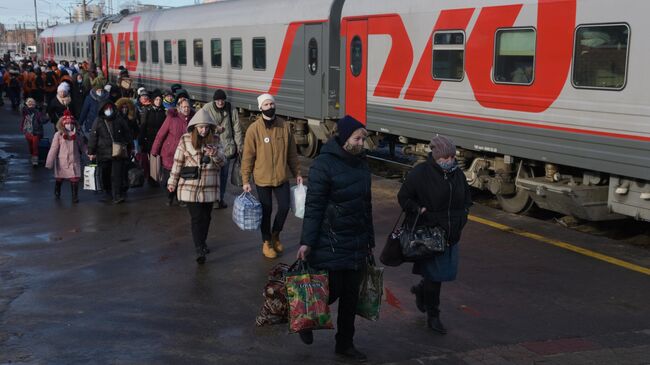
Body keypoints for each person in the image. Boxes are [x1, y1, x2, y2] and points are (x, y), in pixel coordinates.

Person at [295, 115, 373, 362]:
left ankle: (345, 344)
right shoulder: (323, 165)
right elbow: (314, 206)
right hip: (330, 240)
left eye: (363, 139)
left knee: (350, 297)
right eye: (357, 138)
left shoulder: (362, 164)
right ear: (343, 137)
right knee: (329, 292)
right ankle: (306, 320)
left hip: (356, 241)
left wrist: (369, 240)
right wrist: (306, 241)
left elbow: (366, 205)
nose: (362, 143)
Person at [397, 135, 472, 335]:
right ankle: (433, 315)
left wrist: (463, 215)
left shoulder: (458, 175)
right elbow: (403, 197)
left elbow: (466, 198)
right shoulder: (421, 172)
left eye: (451, 158)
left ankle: (422, 290)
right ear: (435, 157)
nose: (448, 162)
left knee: (443, 274)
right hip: (429, 233)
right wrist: (418, 209)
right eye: (443, 159)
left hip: (451, 233)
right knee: (435, 277)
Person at [241, 93, 302, 258]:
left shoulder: (284, 126)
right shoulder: (254, 129)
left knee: (284, 207)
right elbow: (248, 156)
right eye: (266, 105)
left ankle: (275, 234)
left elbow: (292, 153)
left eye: (272, 104)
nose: (270, 107)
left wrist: (297, 172)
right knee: (266, 210)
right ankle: (266, 242)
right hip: (262, 178)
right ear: (260, 108)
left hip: (281, 176)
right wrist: (245, 180)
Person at [167, 109, 226, 264]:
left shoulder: (216, 140)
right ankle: (199, 248)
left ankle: (203, 241)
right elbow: (178, 162)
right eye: (200, 127)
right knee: (196, 217)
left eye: (206, 127)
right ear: (194, 126)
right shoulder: (185, 139)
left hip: (209, 186)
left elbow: (223, 162)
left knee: (206, 217)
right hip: (190, 186)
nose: (203, 130)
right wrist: (172, 182)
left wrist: (214, 154)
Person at [201, 89, 243, 209]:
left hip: (227, 148)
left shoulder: (231, 108)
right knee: (211, 175)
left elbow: (237, 128)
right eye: (218, 100)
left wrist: (239, 146)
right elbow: (201, 125)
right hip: (211, 148)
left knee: (223, 176)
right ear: (214, 100)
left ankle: (220, 198)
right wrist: (214, 129)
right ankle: (210, 198)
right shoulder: (207, 108)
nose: (220, 102)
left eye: (222, 100)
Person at [87, 100, 134, 204]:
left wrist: (131, 146)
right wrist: (91, 151)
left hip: (117, 152)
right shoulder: (98, 121)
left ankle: (117, 195)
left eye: (110, 108)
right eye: (106, 108)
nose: (109, 110)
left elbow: (127, 133)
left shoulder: (119, 119)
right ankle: (107, 192)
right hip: (103, 152)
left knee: (117, 174)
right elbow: (93, 137)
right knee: (106, 174)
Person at [151, 98, 193, 206]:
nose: (186, 109)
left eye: (188, 107)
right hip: (170, 153)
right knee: (168, 178)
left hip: (185, 154)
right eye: (184, 107)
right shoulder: (172, 118)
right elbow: (161, 134)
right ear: (179, 108)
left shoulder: (192, 119)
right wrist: (154, 150)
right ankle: (170, 197)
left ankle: (180, 199)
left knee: (182, 177)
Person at [45, 110, 86, 203]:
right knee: (60, 178)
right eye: (67, 124)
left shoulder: (77, 135)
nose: (69, 125)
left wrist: (89, 154)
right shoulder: (59, 135)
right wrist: (49, 162)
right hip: (62, 161)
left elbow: (82, 146)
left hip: (74, 160)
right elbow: (53, 149)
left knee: (74, 178)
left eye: (71, 124)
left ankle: (74, 197)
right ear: (63, 124)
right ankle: (57, 189)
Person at [138, 90, 166, 185]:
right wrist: (141, 141)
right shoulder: (147, 110)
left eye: (160, 99)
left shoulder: (163, 111)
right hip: (148, 139)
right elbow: (143, 126)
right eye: (157, 99)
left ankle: (156, 177)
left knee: (158, 158)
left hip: (159, 139)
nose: (158, 101)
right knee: (151, 159)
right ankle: (151, 178)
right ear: (153, 100)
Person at [20, 98, 47, 167]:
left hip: (36, 132)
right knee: (30, 146)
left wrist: (46, 115)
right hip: (28, 132)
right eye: (29, 102)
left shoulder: (37, 112)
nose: (31, 104)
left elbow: (42, 120)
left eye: (32, 103)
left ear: (35, 104)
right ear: (26, 104)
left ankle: (35, 160)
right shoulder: (25, 111)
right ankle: (33, 155)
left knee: (35, 146)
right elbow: (22, 109)